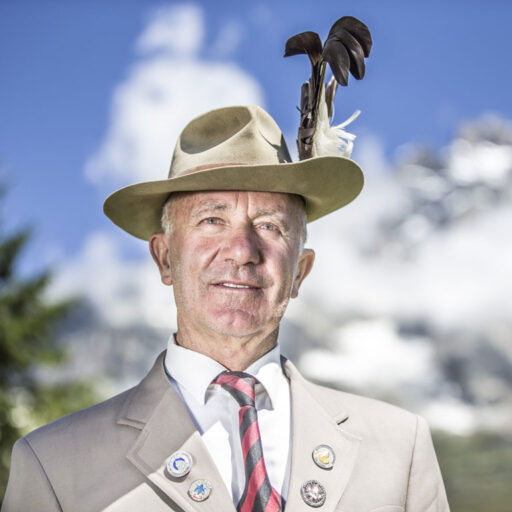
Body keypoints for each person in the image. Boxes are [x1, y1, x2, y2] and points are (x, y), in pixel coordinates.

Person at [2, 104, 450, 511]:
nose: (241, 250)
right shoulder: (53, 466)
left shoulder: (401, 449)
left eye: (270, 226)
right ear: (164, 258)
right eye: (212, 220)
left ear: (300, 271)